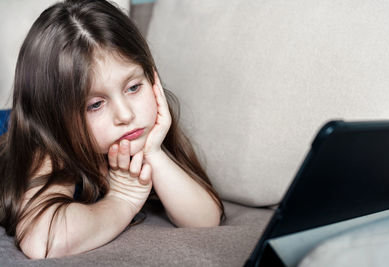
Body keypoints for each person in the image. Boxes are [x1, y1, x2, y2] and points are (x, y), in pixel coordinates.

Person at [0, 0, 225, 259]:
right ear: (55, 118)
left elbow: (206, 220)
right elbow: (45, 242)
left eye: (133, 87)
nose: (126, 115)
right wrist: (121, 201)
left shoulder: (145, 135)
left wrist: (154, 152)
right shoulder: (46, 145)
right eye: (95, 104)